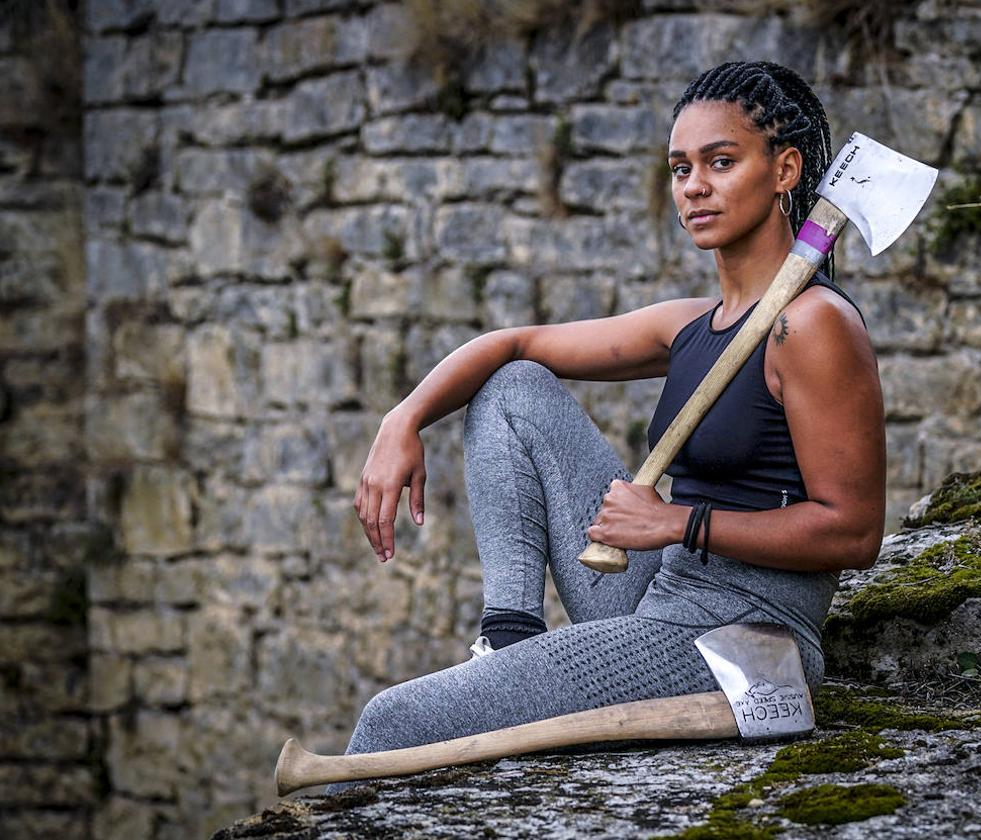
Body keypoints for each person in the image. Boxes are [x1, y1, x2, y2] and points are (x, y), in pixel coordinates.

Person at [332, 60, 885, 790]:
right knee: (513, 387)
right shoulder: (696, 324)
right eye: (680, 167)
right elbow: (512, 345)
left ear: (785, 169)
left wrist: (677, 524)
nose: (694, 186)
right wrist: (401, 419)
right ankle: (507, 634)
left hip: (742, 641)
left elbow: (855, 533)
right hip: (657, 594)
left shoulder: (813, 326)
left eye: (721, 162)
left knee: (390, 722)